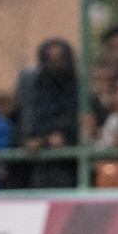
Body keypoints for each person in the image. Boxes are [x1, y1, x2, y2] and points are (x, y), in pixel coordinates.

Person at [14, 39, 79, 190]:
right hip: (36, 170)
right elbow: (21, 131)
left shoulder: (79, 93)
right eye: (50, 60)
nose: (56, 65)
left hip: (71, 170)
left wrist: (68, 138)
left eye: (61, 59)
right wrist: (39, 141)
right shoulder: (32, 94)